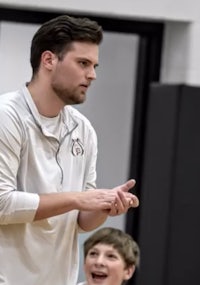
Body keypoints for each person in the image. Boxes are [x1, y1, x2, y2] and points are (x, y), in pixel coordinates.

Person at [0, 14, 139, 285]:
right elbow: (2, 204)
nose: (93, 75)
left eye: (95, 65)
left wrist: (105, 205)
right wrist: (77, 198)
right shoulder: (7, 116)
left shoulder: (83, 129)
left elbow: (83, 221)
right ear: (49, 60)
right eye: (83, 63)